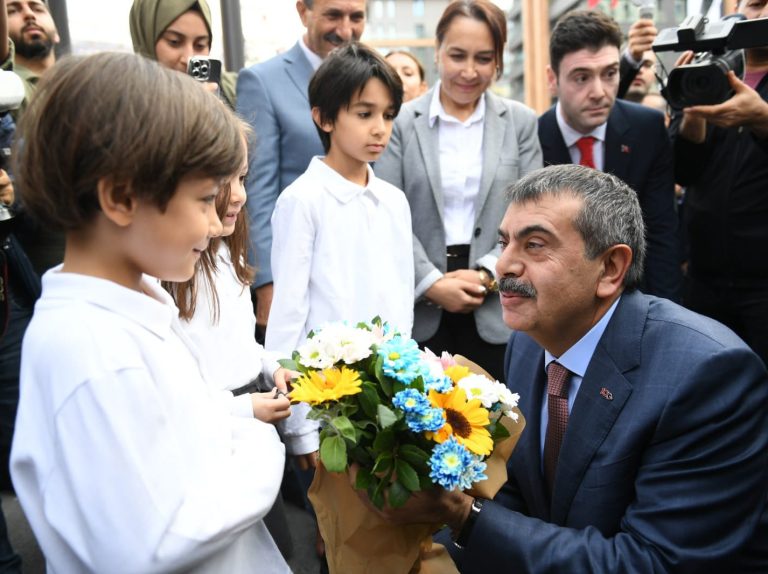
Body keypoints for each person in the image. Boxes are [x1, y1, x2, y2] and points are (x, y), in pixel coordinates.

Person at [367, 164, 768, 573]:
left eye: (535, 245)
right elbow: (524, 497)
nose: (504, 265)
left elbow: (653, 562)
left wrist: (463, 514)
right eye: (504, 242)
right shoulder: (527, 342)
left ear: (611, 268)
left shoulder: (707, 374)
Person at [9, 52, 287, 572]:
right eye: (205, 199)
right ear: (120, 197)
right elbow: (156, 542)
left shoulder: (129, 317)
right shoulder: (93, 352)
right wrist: (257, 441)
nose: (214, 224)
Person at [376, 0, 542, 382]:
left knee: (497, 431)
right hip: (419, 312)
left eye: (483, 58)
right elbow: (387, 214)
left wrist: (488, 274)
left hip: (497, 304)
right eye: (457, 55)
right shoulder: (400, 123)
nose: (469, 71)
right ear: (436, 52)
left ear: (498, 61)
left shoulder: (519, 123)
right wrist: (432, 284)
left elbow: (531, 215)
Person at [267, 41, 412, 359]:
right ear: (324, 118)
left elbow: (402, 300)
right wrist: (285, 374)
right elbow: (289, 308)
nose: (380, 129)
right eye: (364, 114)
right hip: (323, 391)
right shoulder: (301, 201)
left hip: (389, 384)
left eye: (388, 116)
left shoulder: (394, 201)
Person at [236, 0, 366, 341]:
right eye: (333, 16)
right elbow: (257, 190)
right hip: (296, 278)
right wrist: (266, 282)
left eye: (356, 17)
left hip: (357, 273)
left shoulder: (372, 76)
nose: (346, 30)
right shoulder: (263, 81)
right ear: (302, 12)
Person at [538, 9, 681, 302]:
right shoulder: (532, 137)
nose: (599, 92)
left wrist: (662, 316)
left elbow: (661, 234)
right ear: (553, 79)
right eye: (581, 78)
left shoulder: (647, 129)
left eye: (610, 74)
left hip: (633, 298)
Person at [670, 0, 768, 365]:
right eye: (755, 4)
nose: (761, 15)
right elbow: (683, 173)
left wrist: (762, 119)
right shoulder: (710, 70)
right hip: (704, 277)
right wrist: (690, 116)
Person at [129, 0, 237, 109]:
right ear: (146, 40)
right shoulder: (122, 105)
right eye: (174, 42)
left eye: (200, 45)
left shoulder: (235, 91)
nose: (188, 58)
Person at [6, 0, 58, 118]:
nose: (29, 14)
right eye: (12, 11)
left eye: (38, 9)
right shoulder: (8, 89)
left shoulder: (81, 82)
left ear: (57, 33)